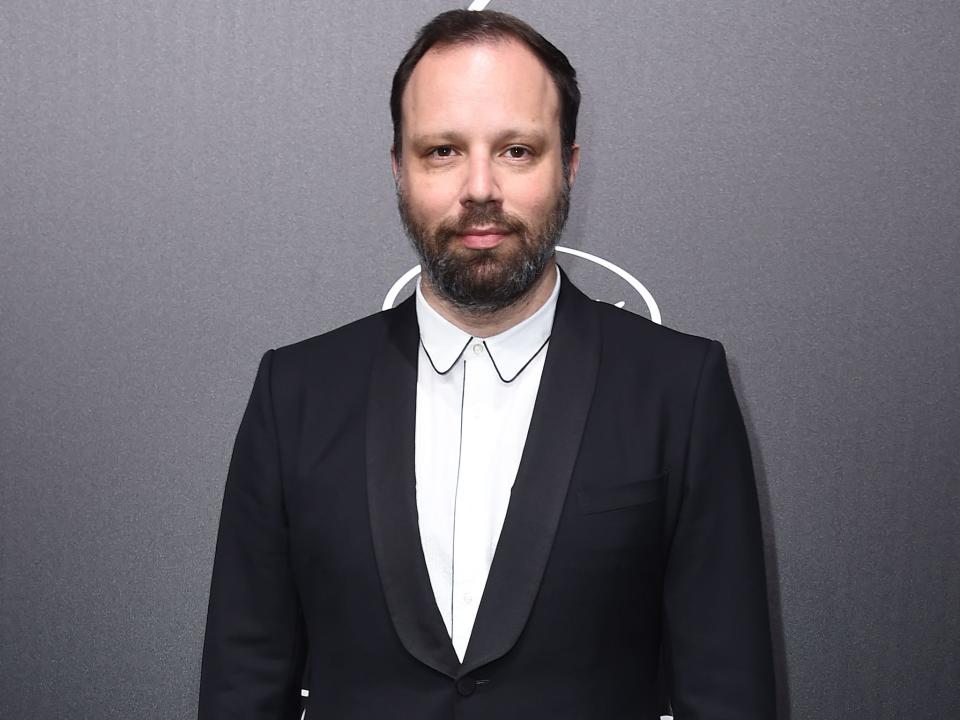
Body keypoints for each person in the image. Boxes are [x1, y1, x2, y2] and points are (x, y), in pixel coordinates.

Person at [198, 9, 775, 719]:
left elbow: (727, 694)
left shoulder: (679, 392)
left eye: (516, 150)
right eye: (442, 150)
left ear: (568, 165)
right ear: (398, 168)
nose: (479, 188)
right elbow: (243, 683)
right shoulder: (297, 395)